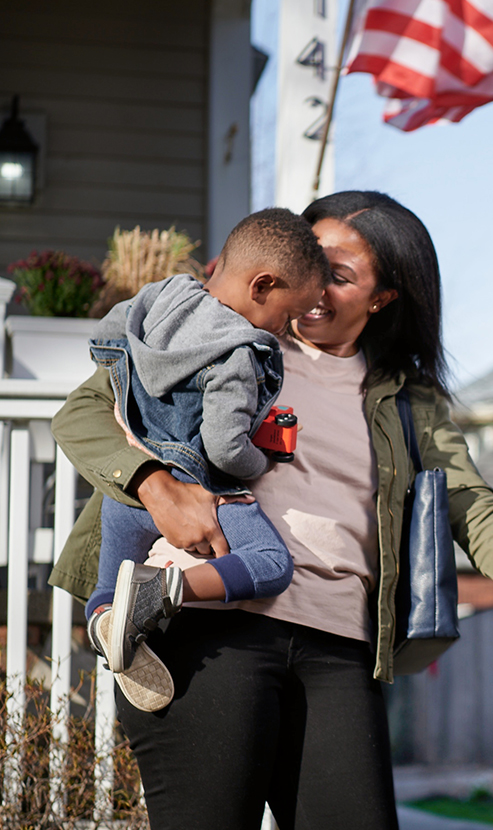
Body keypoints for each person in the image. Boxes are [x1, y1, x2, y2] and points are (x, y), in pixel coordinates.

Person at [49, 191, 493, 830]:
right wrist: (158, 486)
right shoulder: (220, 334)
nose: (316, 288)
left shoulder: (409, 401)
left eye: (340, 274)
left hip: (337, 647)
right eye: (310, 263)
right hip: (207, 625)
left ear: (382, 297)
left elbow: (467, 503)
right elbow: (81, 414)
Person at [83, 208, 330, 714]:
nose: (284, 330)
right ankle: (165, 590)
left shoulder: (166, 294)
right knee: (272, 566)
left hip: (128, 490)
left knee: (108, 586)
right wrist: (258, 463)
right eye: (287, 316)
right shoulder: (237, 353)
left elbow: (110, 337)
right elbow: (222, 447)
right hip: (200, 491)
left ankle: (108, 615)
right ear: (261, 285)